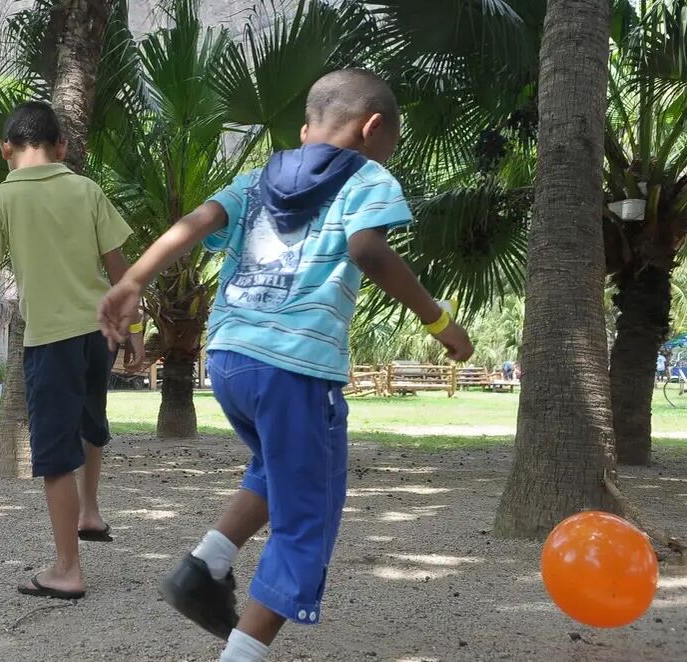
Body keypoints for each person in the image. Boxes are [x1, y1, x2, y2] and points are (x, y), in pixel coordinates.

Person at [98, 69, 474, 661]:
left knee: (276, 469)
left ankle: (206, 566)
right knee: (308, 518)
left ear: (305, 130)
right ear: (373, 128)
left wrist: (132, 280)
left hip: (228, 361)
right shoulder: (367, 176)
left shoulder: (256, 177)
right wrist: (438, 320)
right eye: (391, 142)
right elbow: (368, 249)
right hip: (295, 368)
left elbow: (196, 222)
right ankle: (241, 656)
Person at [0, 102, 145, 600]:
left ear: (5, 149)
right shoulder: (87, 189)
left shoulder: (0, 201)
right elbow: (121, 269)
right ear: (62, 148)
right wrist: (134, 327)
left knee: (54, 457)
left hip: (51, 340)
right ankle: (90, 511)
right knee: (91, 424)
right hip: (100, 335)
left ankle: (67, 570)